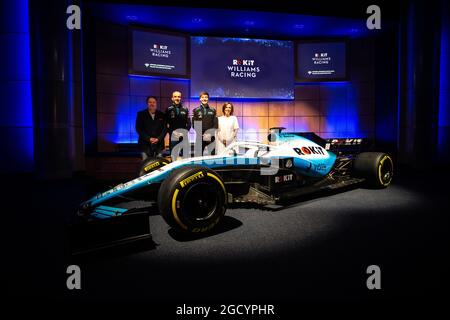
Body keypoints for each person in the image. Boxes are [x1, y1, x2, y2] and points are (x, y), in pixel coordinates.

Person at [165, 91, 191, 157]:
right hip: (173, 137)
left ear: (180, 98)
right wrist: (173, 133)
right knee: (174, 157)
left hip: (183, 137)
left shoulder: (185, 109)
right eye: (175, 96)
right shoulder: (168, 110)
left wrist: (183, 132)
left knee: (185, 157)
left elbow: (189, 123)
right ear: (172, 98)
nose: (177, 98)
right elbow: (165, 124)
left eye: (179, 97)